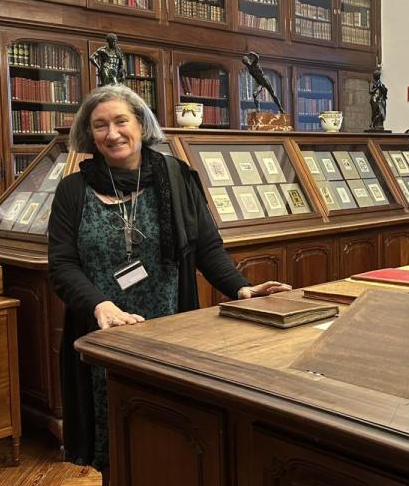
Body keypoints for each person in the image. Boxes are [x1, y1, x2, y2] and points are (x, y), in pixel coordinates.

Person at [48, 84, 290, 484]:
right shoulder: (73, 190)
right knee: (113, 437)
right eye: (100, 125)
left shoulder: (175, 177)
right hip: (104, 333)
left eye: (121, 121)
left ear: (141, 125)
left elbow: (207, 247)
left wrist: (242, 289)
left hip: (170, 331)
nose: (112, 133)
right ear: (89, 135)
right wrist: (100, 306)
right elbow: (62, 264)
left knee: (171, 431)